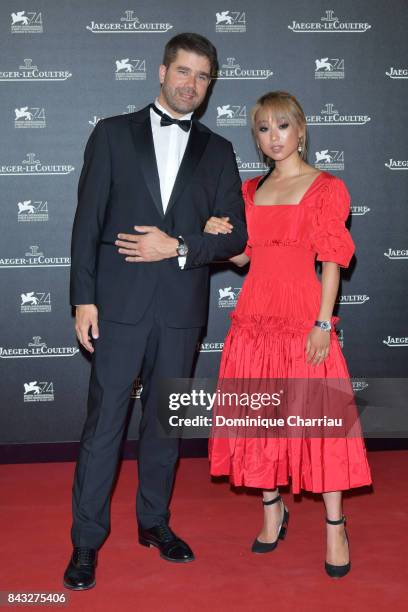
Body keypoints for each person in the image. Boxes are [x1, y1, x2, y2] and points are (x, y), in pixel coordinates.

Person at [64, 32, 247, 590]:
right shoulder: (113, 134)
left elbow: (237, 236)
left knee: (166, 427)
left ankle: (154, 524)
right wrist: (83, 298)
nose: (192, 84)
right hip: (117, 307)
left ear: (211, 86)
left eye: (203, 77)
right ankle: (87, 542)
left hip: (181, 310)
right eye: (184, 72)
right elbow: (86, 224)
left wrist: (183, 244)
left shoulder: (218, 150)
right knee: (104, 429)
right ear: (162, 72)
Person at [205, 91, 372, 578]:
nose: (274, 136)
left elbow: (332, 260)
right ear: (255, 136)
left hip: (303, 317)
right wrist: (219, 234)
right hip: (255, 316)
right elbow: (243, 257)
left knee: (323, 424)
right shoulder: (249, 191)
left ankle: (335, 524)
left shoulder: (326, 187)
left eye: (282, 126)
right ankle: (272, 510)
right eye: (263, 128)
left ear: (301, 130)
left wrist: (323, 322)